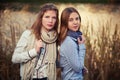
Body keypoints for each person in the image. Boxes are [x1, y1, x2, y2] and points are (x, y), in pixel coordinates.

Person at [12, 3, 59, 80]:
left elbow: (54, 62)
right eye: (47, 17)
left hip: (47, 78)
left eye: (54, 17)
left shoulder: (54, 38)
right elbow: (15, 58)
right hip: (30, 77)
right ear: (41, 18)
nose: (50, 21)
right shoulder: (28, 34)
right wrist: (34, 51)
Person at [58, 7, 86, 80]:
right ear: (65, 23)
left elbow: (72, 63)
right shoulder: (68, 41)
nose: (75, 22)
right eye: (71, 20)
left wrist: (82, 67)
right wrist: (82, 46)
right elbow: (77, 68)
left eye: (77, 19)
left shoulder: (74, 38)